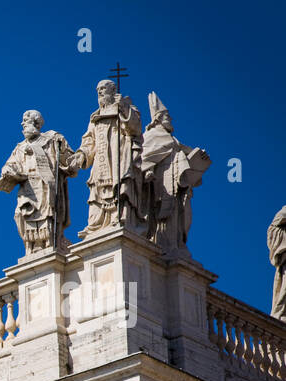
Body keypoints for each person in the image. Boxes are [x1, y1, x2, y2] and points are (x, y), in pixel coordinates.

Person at [0, 110, 76, 255]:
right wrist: (7, 170)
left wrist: (64, 153)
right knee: (20, 214)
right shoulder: (20, 147)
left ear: (36, 122)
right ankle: (31, 246)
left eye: (25, 120)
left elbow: (69, 160)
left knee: (48, 214)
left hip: (46, 186)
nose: (22, 124)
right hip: (27, 187)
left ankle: (49, 243)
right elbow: (11, 163)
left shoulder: (51, 139)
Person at [138, 92, 210, 255]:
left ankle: (176, 245)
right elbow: (145, 158)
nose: (170, 119)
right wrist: (148, 171)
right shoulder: (151, 136)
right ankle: (163, 246)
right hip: (160, 185)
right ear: (158, 118)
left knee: (179, 216)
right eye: (167, 116)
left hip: (178, 187)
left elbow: (187, 156)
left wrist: (199, 159)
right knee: (161, 215)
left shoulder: (174, 141)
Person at [71, 79, 145, 235]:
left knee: (121, 185)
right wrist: (81, 155)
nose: (100, 91)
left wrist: (123, 107)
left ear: (113, 90)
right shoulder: (95, 118)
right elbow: (89, 141)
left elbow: (135, 129)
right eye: (98, 89)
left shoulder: (127, 109)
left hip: (119, 156)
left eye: (103, 88)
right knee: (96, 189)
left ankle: (120, 217)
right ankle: (96, 224)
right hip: (101, 160)